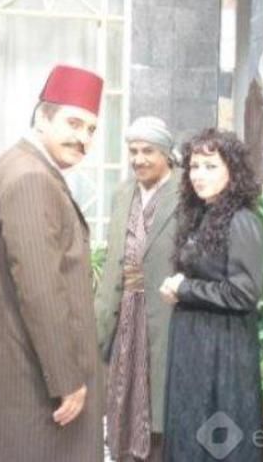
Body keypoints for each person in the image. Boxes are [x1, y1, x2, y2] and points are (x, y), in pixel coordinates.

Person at [0, 65, 105, 462]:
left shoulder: (10, 165)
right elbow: (41, 289)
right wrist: (67, 377)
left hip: (9, 366)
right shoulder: (31, 178)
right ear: (42, 117)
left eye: (91, 129)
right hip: (28, 381)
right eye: (73, 123)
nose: (83, 138)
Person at [159, 128, 263, 462]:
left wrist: (184, 288)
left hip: (223, 349)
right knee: (190, 427)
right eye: (194, 166)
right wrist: (180, 289)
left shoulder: (242, 221)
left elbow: (244, 292)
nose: (199, 175)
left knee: (218, 435)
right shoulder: (202, 215)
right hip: (195, 344)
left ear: (233, 171)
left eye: (210, 166)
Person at [95, 116, 179, 462]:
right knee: (121, 392)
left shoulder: (186, 193)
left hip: (166, 312)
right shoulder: (123, 193)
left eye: (148, 151)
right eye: (133, 151)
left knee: (159, 397)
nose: (139, 159)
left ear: (167, 154)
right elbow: (114, 258)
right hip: (125, 310)